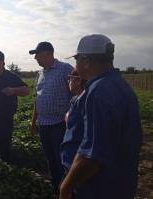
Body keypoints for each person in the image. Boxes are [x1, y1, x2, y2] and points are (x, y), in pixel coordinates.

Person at [59, 34, 142, 199]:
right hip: (119, 181)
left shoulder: (98, 93)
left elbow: (91, 156)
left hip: (97, 187)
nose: (75, 65)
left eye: (77, 60)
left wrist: (66, 187)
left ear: (87, 61)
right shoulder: (119, 85)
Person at [29, 41, 73, 191]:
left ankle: (66, 189)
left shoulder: (65, 69)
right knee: (50, 158)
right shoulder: (40, 74)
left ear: (48, 54)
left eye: (37, 55)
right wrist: (33, 122)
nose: (35, 58)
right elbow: (38, 99)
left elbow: (77, 95)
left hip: (60, 123)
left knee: (62, 159)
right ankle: (56, 185)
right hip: (44, 124)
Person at [61, 69, 87, 172]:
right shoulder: (76, 100)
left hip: (76, 161)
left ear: (78, 81)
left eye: (70, 79)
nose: (68, 82)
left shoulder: (83, 103)